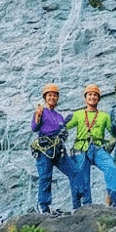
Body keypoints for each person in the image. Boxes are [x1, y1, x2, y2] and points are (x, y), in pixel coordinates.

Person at [31, 83, 83, 214]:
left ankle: (77, 206)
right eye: (49, 95)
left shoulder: (59, 116)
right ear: (45, 97)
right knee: (45, 177)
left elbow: (63, 133)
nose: (52, 98)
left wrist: (63, 132)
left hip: (59, 150)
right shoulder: (41, 112)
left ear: (57, 98)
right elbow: (34, 128)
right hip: (45, 150)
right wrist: (37, 117)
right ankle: (44, 208)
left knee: (75, 172)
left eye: (54, 95)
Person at [65, 84, 116, 207]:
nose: (92, 97)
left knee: (112, 168)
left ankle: (114, 204)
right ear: (85, 98)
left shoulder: (104, 116)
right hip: (81, 148)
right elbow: (64, 127)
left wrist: (111, 143)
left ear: (98, 98)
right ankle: (83, 208)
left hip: (98, 149)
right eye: (89, 94)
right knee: (83, 180)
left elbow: (114, 133)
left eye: (95, 95)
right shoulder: (78, 114)